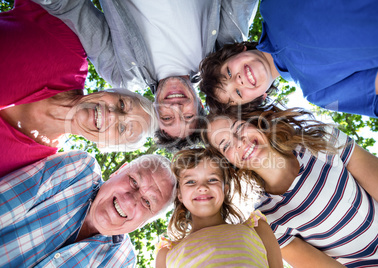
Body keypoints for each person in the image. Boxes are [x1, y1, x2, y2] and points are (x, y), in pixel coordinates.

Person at [32, 0, 259, 150]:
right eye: (188, 116)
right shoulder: (222, 60)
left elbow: (73, 9)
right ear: (199, 102)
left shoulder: (122, 73)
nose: (177, 107)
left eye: (168, 118)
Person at [202, 105, 378, 266]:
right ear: (229, 163)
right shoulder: (267, 220)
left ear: (256, 123)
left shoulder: (323, 141)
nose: (239, 142)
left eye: (238, 128)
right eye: (226, 145)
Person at [0, 0, 157, 177]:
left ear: (104, 146)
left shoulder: (30, 170)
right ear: (109, 91)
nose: (113, 115)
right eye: (122, 105)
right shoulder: (67, 47)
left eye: (122, 129)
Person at [199, 0, 378, 117]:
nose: (239, 80)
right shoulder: (321, 94)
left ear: (237, 49)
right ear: (260, 98)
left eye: (228, 72)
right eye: (237, 93)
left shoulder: (271, 7)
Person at [0, 150, 176, 267]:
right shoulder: (79, 170)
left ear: (146, 222)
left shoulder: (122, 262)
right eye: (134, 181)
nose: (130, 200)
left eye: (147, 203)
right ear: (118, 171)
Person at [155, 148, 283, 268]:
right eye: (190, 182)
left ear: (225, 189)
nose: (202, 187)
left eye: (212, 179)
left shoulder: (258, 229)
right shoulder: (166, 256)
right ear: (180, 195)